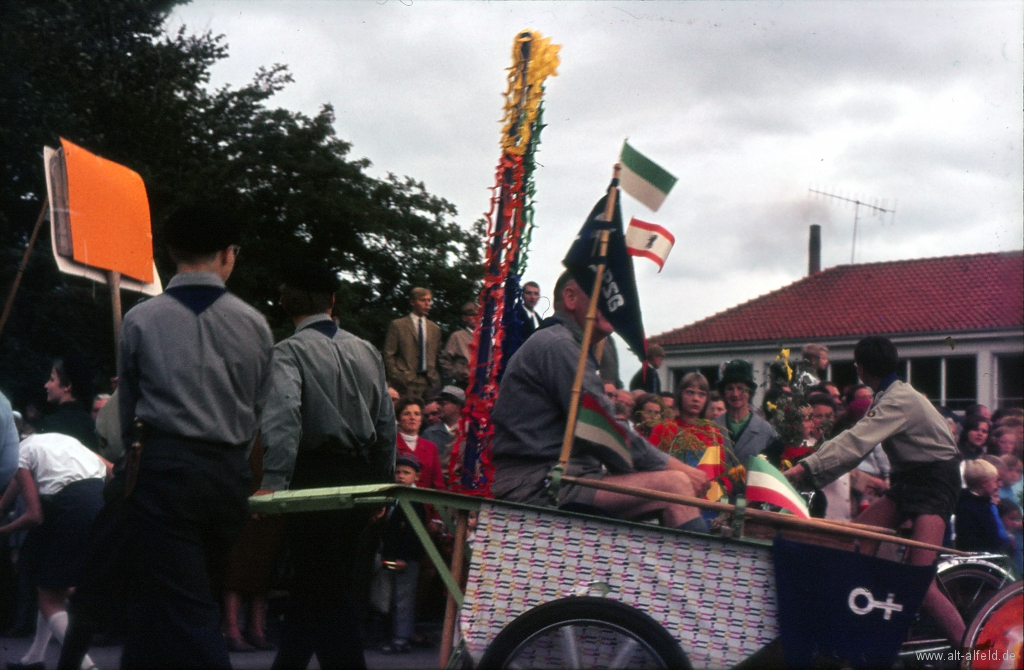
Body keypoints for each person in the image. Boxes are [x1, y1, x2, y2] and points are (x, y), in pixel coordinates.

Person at [101, 203, 274, 668]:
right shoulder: (254, 323)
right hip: (226, 477)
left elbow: (129, 405)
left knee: (182, 603)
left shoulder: (140, 319)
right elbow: (259, 404)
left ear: (170, 250)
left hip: (163, 472)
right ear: (227, 254)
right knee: (190, 595)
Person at [256, 259, 395, 670]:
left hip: (313, 477)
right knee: (320, 585)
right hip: (359, 477)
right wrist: (382, 484)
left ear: (285, 303)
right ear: (333, 301)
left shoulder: (288, 351)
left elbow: (284, 418)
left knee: (323, 587)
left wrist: (274, 481)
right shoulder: (366, 349)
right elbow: (386, 424)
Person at [490, 272, 709, 530]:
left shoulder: (567, 345)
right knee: (676, 486)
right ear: (570, 297)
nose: (614, 306)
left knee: (670, 484)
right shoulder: (559, 345)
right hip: (537, 484)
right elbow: (602, 429)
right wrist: (679, 467)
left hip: (560, 479)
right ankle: (695, 570)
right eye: (603, 296)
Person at [784, 335, 965, 646]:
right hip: (911, 479)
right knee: (858, 538)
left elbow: (855, 441)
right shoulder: (891, 394)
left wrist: (806, 468)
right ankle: (855, 619)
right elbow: (855, 447)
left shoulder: (898, 400)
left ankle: (977, 654)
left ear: (860, 368)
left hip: (935, 482)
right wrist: (812, 472)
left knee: (920, 584)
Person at [0, 433, 109, 670]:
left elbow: (34, 516)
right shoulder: (63, 441)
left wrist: (4, 531)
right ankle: (34, 658)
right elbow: (109, 468)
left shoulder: (19, 454)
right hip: (100, 501)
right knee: (52, 584)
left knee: (49, 596)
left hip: (71, 507)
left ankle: (87, 667)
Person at [649, 373, 730, 502]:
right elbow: (650, 467)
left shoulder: (714, 434)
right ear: (680, 395)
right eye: (690, 393)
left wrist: (724, 488)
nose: (696, 399)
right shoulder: (664, 429)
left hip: (706, 504)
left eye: (701, 394)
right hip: (671, 499)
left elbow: (721, 475)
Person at [378, 453, 428, 655]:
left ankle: (402, 638)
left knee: (403, 599)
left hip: (405, 560)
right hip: (391, 557)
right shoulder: (394, 498)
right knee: (390, 596)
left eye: (406, 472)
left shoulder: (415, 501)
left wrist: (405, 558)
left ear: (416, 477)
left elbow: (414, 534)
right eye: (398, 472)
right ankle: (391, 634)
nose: (401, 476)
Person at [713, 360, 778, 463]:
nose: (735, 394)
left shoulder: (765, 431)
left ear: (749, 392)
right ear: (724, 393)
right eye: (730, 389)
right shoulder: (712, 428)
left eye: (741, 388)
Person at [383, 287, 442, 400]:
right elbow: (388, 353)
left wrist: (435, 377)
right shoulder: (398, 325)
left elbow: (436, 355)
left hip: (428, 380)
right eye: (423, 300)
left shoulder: (435, 328)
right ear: (412, 302)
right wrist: (396, 375)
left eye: (429, 300)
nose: (427, 304)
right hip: (405, 379)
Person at [37, 355, 98, 454]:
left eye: (52, 379)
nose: (46, 385)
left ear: (67, 386)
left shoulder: (49, 425)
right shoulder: (93, 425)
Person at [955, 459, 1011, 554]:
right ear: (984, 483)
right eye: (995, 481)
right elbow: (969, 541)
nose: (998, 485)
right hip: (979, 559)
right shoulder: (966, 508)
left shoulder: (986, 503)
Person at [394, 398, 444, 490]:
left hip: (427, 502)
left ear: (421, 419)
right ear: (398, 419)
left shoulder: (431, 447)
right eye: (407, 414)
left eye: (417, 414)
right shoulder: (392, 444)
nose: (412, 418)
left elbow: (438, 483)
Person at [421, 385, 465, 472]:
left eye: (443, 403)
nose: (438, 407)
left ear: (457, 405)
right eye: (438, 403)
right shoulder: (429, 433)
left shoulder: (470, 431)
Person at [438, 302, 479, 388]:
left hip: (481, 383)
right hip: (463, 383)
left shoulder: (486, 339)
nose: (477, 318)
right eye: (473, 315)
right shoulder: (457, 336)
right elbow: (444, 359)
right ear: (464, 318)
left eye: (479, 315)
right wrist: (456, 374)